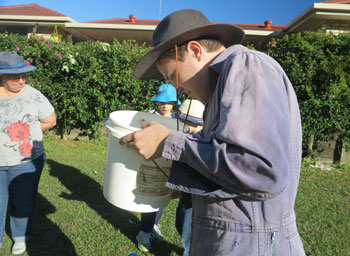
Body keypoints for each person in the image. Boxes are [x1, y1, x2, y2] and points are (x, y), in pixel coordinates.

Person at [120, 9, 306, 256]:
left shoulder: (246, 65)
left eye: (174, 76)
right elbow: (232, 171)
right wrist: (185, 186)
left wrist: (168, 141)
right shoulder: (220, 89)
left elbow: (260, 170)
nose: (177, 89)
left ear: (196, 51)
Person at [0, 52, 56, 255]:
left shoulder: (34, 96)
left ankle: (20, 237)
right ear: (2, 76)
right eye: (16, 77)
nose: (22, 80)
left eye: (25, 75)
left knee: (23, 200)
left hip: (26, 161)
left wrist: (25, 134)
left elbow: (50, 121)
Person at [136, 83, 181, 252]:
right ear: (157, 102)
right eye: (162, 102)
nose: (165, 105)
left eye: (168, 102)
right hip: (150, 164)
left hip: (167, 166)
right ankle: (144, 232)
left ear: (174, 103)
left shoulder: (177, 119)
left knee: (162, 199)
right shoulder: (148, 117)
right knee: (150, 199)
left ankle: (154, 225)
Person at [172, 99, 204, 256]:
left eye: (184, 121)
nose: (179, 124)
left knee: (189, 238)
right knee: (180, 225)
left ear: (197, 123)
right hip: (185, 198)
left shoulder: (202, 145)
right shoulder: (187, 138)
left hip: (195, 204)